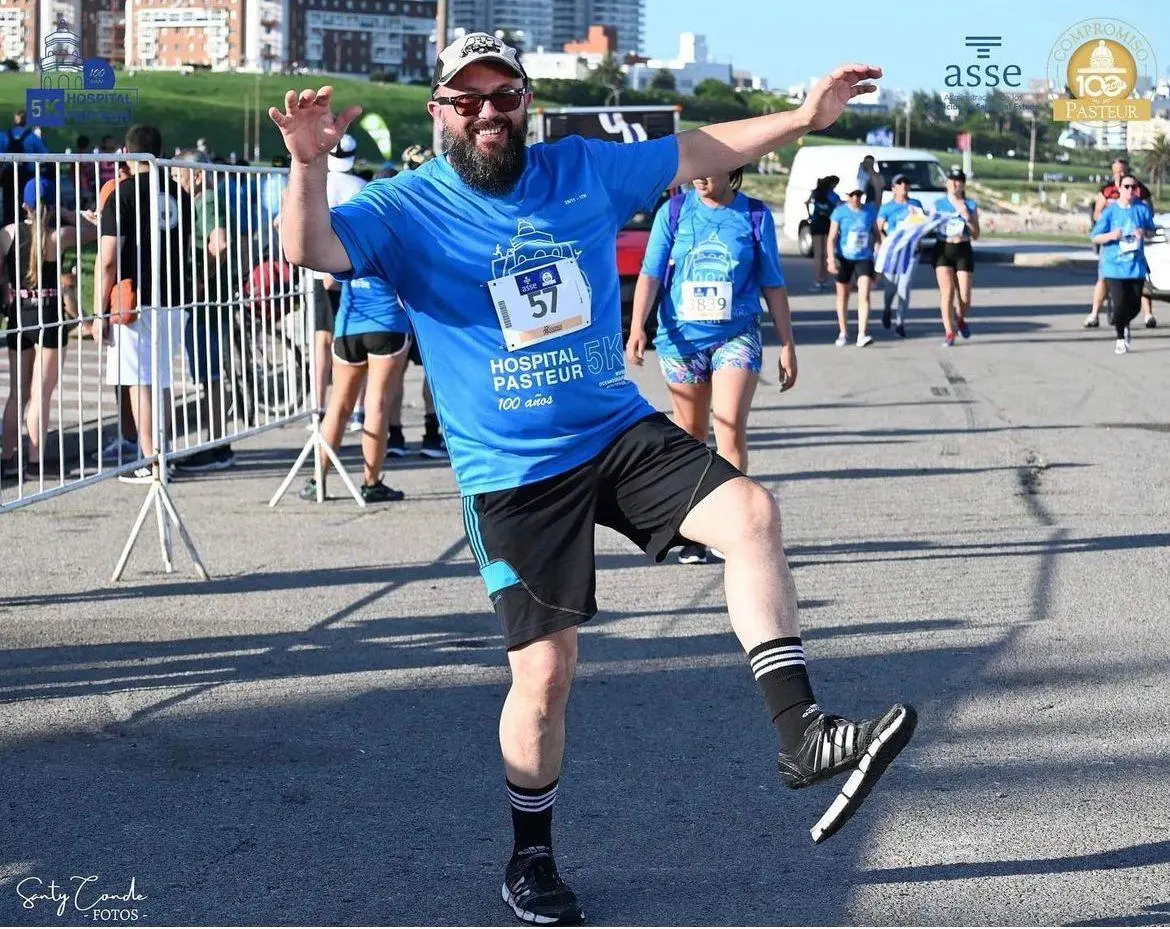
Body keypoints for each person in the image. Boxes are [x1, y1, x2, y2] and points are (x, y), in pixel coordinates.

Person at [271, 36, 915, 925]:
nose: (489, 113)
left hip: (612, 428)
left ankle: (800, 732)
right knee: (545, 677)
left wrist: (805, 119)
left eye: (505, 96)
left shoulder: (580, 168)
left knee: (751, 512)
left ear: (525, 103)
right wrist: (307, 165)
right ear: (440, 111)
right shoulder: (406, 205)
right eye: (469, 99)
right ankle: (530, 857)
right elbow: (311, 247)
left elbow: (699, 151)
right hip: (513, 472)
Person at [626, 167, 796, 565]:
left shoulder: (754, 215)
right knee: (690, 435)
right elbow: (651, 273)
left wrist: (787, 343)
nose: (701, 177)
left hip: (736, 334)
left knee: (729, 426)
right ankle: (694, 531)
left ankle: (735, 530)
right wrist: (637, 328)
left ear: (732, 171)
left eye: (710, 171)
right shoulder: (674, 211)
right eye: (696, 171)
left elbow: (772, 282)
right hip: (680, 338)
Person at [91, 124, 190, 484]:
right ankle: (164, 453)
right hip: (174, 296)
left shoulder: (122, 195)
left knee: (139, 382)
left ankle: (150, 459)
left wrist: (98, 310)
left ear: (129, 156)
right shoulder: (179, 193)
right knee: (161, 379)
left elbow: (106, 260)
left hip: (137, 296)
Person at [0, 178, 97, 481]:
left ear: (24, 205)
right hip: (49, 314)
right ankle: (34, 461)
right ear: (51, 205)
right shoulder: (59, 236)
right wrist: (67, 212)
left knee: (18, 392)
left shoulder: (7, 234)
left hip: (19, 315)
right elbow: (96, 232)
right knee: (41, 392)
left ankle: (5, 458)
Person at [299, 272, 410, 502]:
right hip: (387, 323)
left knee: (338, 405)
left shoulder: (349, 240)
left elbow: (329, 282)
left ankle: (316, 480)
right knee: (376, 405)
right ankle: (371, 483)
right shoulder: (396, 238)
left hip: (349, 326)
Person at [169, 151, 237, 472]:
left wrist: (201, 278)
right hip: (210, 298)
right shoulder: (205, 200)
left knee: (209, 374)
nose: (173, 181)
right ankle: (216, 442)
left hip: (207, 301)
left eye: (177, 175)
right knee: (208, 373)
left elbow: (219, 243)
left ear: (195, 175)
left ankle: (217, 445)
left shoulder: (206, 200)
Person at [311, 133, 366, 430]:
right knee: (352, 344)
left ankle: (319, 408)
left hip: (320, 274)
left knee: (322, 342)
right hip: (352, 273)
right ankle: (357, 409)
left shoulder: (319, 184)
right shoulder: (360, 186)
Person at [1084, 157, 1157, 330]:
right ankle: (1094, 314)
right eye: (1116, 171)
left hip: (1134, 245)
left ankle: (1148, 314)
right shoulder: (1107, 190)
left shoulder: (1139, 190)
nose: (1119, 174)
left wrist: (1141, 229)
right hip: (1112, 242)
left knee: (1140, 279)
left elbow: (1148, 214)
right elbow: (1097, 213)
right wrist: (1111, 225)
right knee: (1103, 278)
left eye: (1122, 171)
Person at [932, 167, 979, 348]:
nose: (954, 183)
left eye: (958, 180)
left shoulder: (970, 204)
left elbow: (976, 234)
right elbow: (929, 225)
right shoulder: (938, 204)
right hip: (943, 248)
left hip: (963, 248)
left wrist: (967, 216)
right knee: (948, 291)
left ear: (963, 184)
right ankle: (949, 332)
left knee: (965, 296)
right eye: (951, 179)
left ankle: (960, 319)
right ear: (946, 183)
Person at [827, 187, 879, 347]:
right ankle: (843, 332)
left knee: (864, 295)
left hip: (864, 258)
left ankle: (862, 333)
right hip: (844, 258)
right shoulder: (839, 212)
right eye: (852, 195)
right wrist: (831, 259)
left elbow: (877, 235)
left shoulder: (869, 212)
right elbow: (832, 238)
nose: (856, 198)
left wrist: (878, 252)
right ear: (847, 196)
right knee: (843, 296)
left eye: (858, 195)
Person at [876, 174, 924, 338]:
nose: (903, 185)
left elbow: (920, 226)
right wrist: (884, 241)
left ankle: (900, 323)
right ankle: (887, 309)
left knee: (904, 286)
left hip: (910, 252)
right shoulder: (887, 207)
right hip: (893, 253)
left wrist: (919, 238)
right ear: (893, 188)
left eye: (906, 183)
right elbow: (879, 228)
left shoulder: (915, 205)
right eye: (900, 183)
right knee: (891, 288)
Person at [2, 110, 49, 227]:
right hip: (27, 177)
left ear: (14, 121)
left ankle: (8, 228)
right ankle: (25, 227)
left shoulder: (4, 136)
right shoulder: (32, 137)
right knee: (26, 202)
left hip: (8, 176)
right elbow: (45, 154)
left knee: (8, 203)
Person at [805, 175, 839, 292]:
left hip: (816, 223)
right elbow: (837, 207)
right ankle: (825, 278)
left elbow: (807, 202)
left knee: (818, 254)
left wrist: (810, 215)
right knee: (826, 253)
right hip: (828, 223)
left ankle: (818, 279)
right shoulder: (833, 195)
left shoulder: (815, 192)